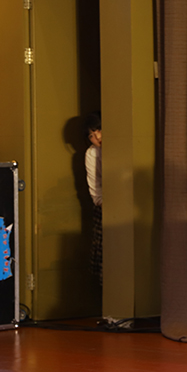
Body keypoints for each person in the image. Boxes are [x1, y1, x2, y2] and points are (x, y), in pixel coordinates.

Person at [84, 112, 102, 285]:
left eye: (99, 131)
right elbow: (95, 187)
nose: (97, 137)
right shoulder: (91, 154)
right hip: (104, 205)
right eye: (91, 135)